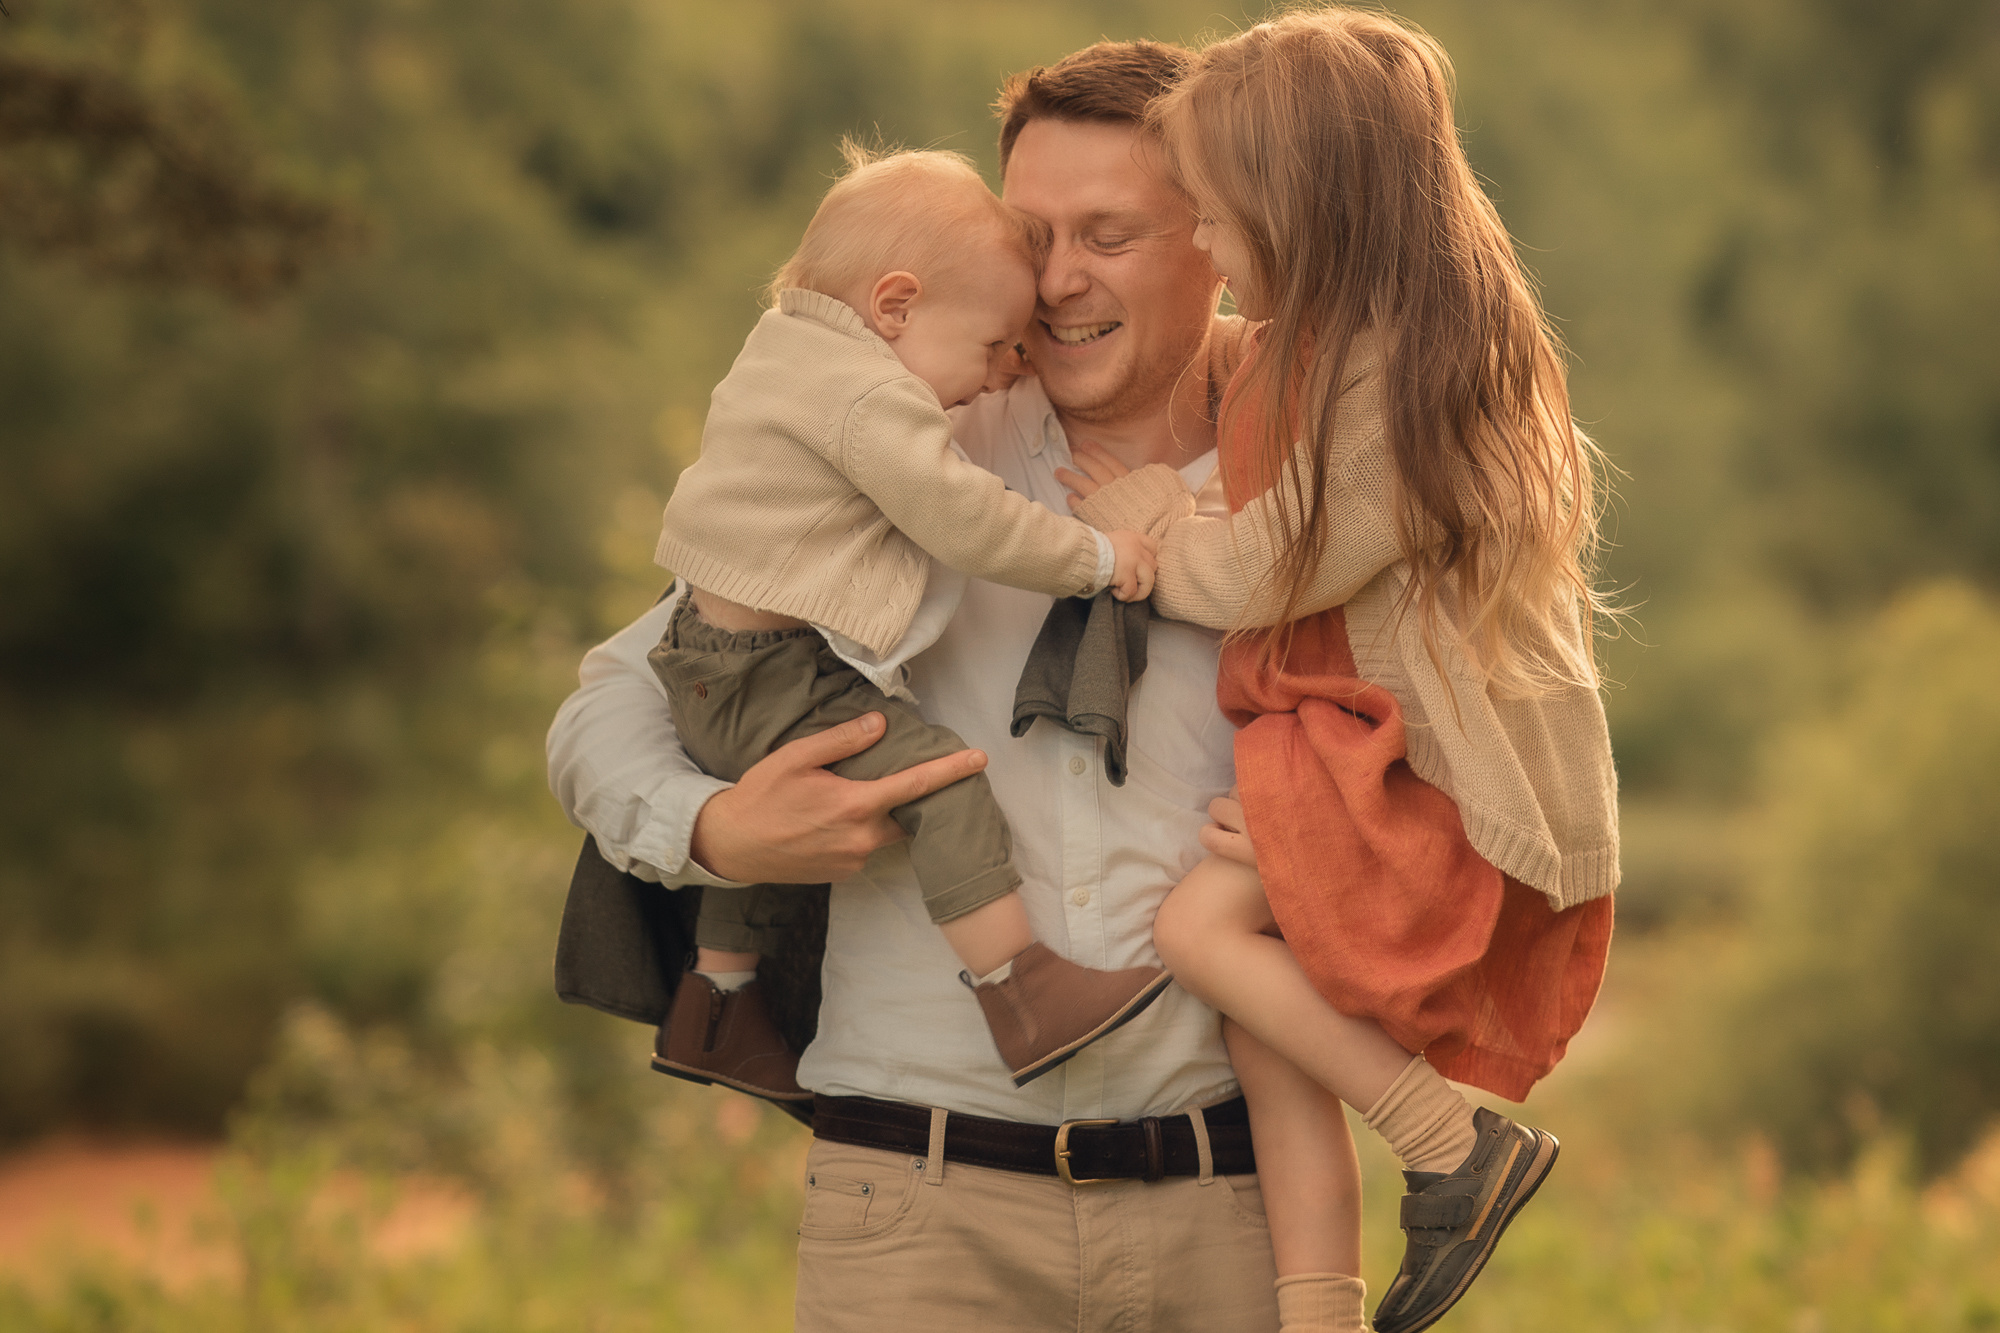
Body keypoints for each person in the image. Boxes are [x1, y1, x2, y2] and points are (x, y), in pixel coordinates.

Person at [548, 40, 1301, 1332]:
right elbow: (610, 707)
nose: (1058, 281)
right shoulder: (904, 443)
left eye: (1108, 235)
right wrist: (716, 828)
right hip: (916, 1205)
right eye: (1035, 234)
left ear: (1216, 240)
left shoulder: (1313, 487)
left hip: (1224, 1207)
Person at [1060, 12, 1619, 1333]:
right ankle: (1320, 1313)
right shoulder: (1383, 342)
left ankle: (1451, 1147)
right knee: (1272, 1009)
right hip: (1376, 748)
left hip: (1427, 782)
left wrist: (1146, 514)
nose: (1205, 243)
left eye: (1216, 213)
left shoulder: (1414, 382)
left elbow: (1268, 571)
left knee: (1197, 932)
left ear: (1300, 202)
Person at [645, 141, 1170, 1104]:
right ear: (893, 307)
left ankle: (715, 1006)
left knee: (760, 783)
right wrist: (1098, 555)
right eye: (994, 346)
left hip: (708, 656)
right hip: (774, 667)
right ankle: (1023, 993)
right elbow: (960, 516)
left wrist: (979, 356)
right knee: (944, 786)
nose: (1006, 367)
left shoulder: (784, 349)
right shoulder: (871, 398)